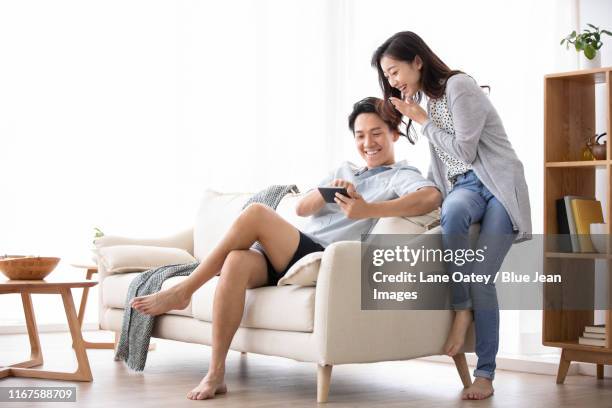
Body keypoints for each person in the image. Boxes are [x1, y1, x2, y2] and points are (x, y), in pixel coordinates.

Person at [130, 96, 442, 401]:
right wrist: (328, 191)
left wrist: (367, 209)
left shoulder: (400, 175)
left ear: (394, 134)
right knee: (237, 260)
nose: (368, 143)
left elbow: (430, 198)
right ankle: (216, 373)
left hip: (320, 256)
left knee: (255, 213)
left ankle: (185, 289)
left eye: (376, 134)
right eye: (360, 135)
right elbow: (303, 209)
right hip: (289, 249)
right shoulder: (345, 170)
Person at [371, 31, 531, 400]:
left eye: (395, 71)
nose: (393, 81)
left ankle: (486, 374)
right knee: (452, 214)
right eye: (388, 77)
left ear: (417, 61)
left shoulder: (459, 87)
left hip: (498, 186)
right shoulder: (421, 101)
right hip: (464, 187)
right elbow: (444, 164)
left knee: (482, 277)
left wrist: (423, 120)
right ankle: (462, 310)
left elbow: (464, 148)